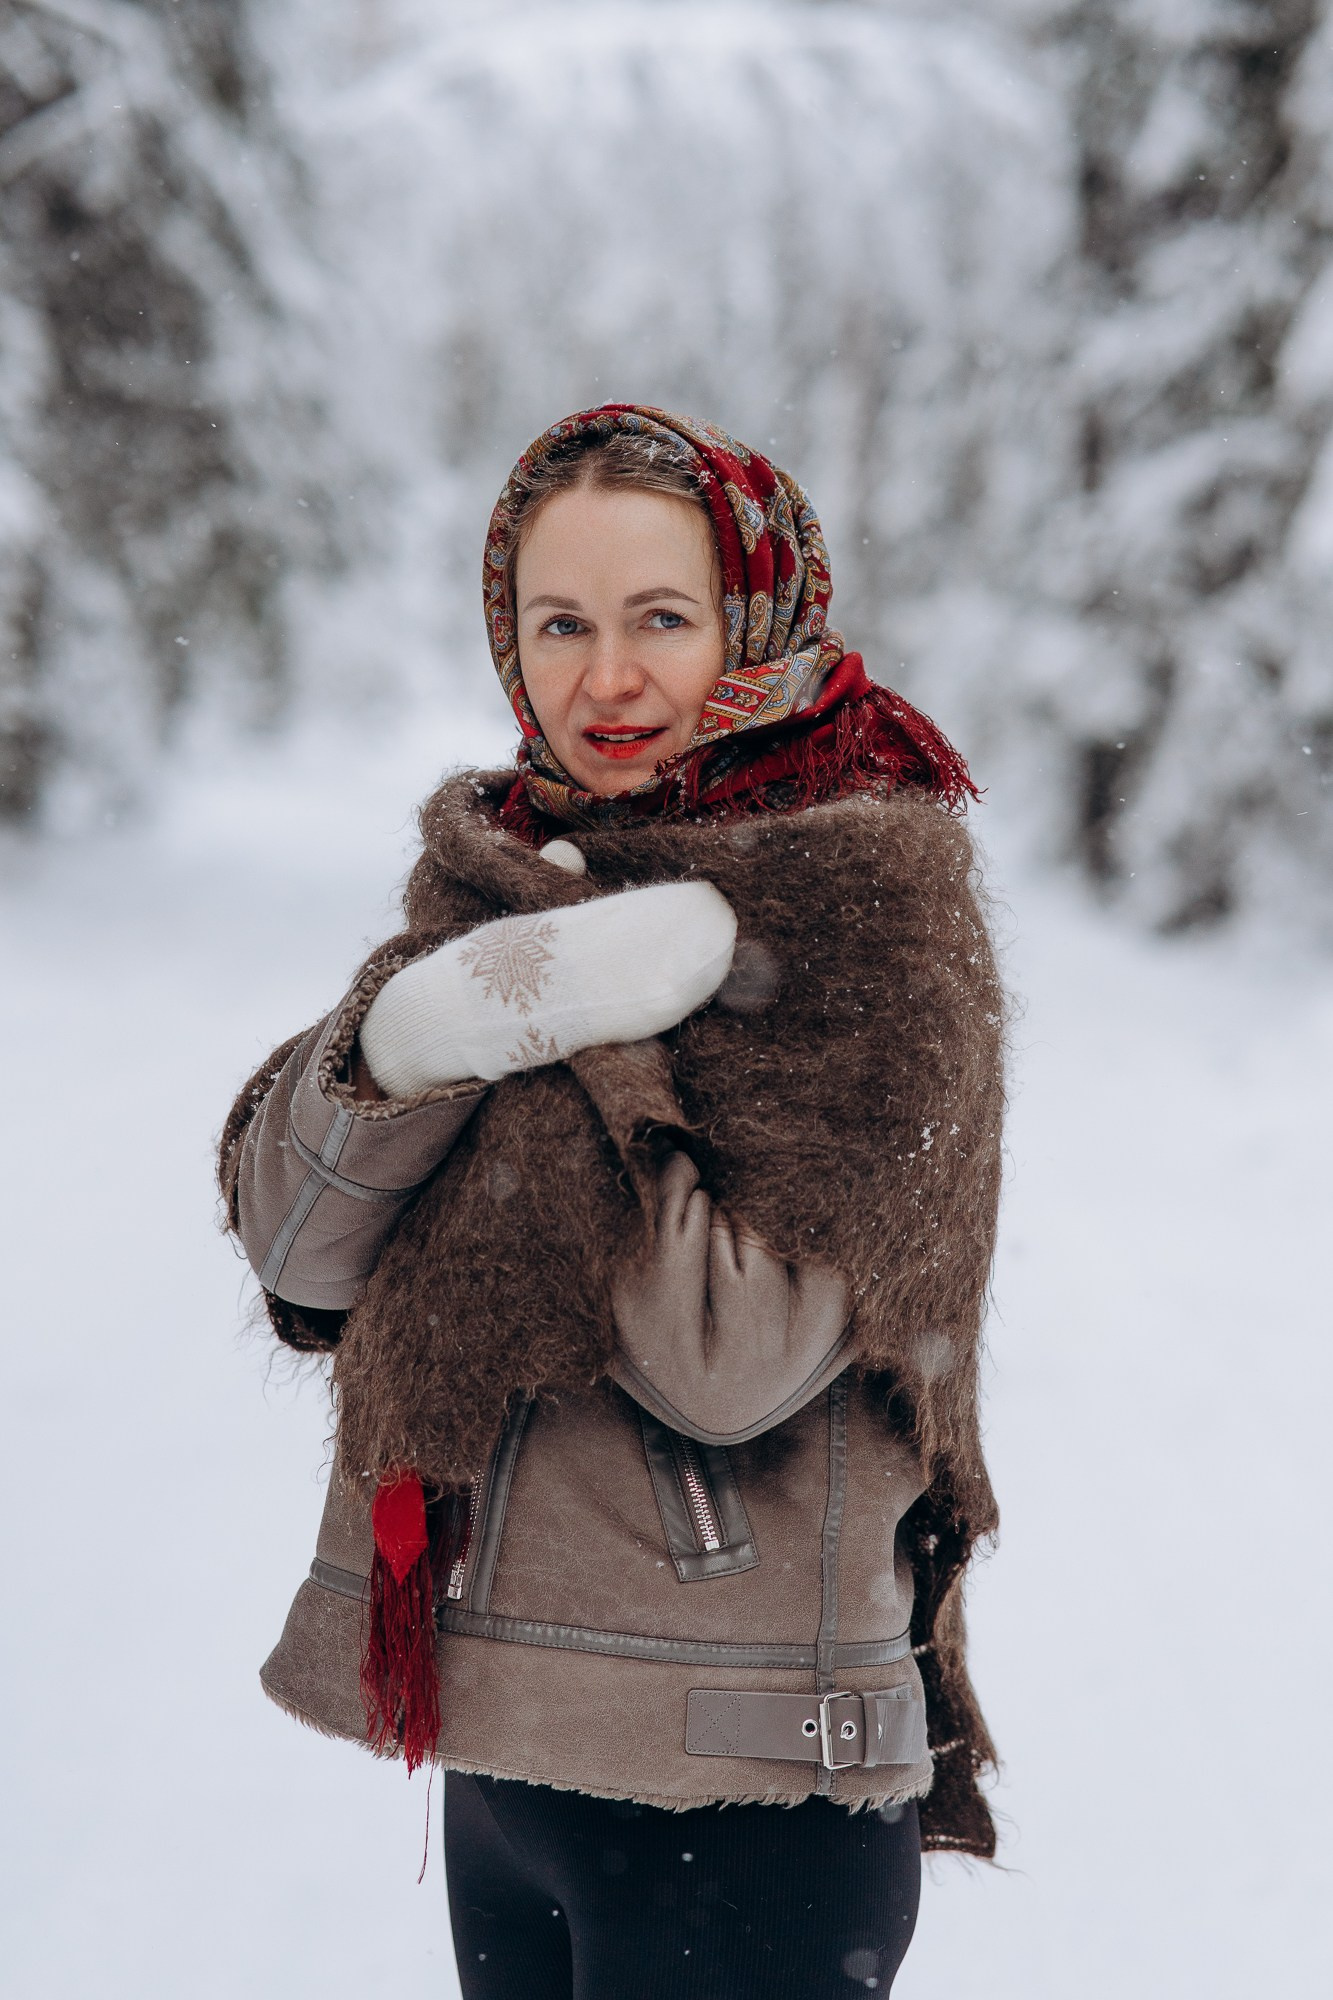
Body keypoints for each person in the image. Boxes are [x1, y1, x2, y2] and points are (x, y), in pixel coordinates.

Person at [220, 404, 1006, 1999]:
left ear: (753, 620)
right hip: (508, 1755)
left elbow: (728, 1363)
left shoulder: (874, 924)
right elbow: (302, 1250)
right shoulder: (504, 879)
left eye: (660, 618)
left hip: (748, 1786)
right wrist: (415, 1037)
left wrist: (584, 1030)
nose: (607, 680)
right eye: (560, 624)